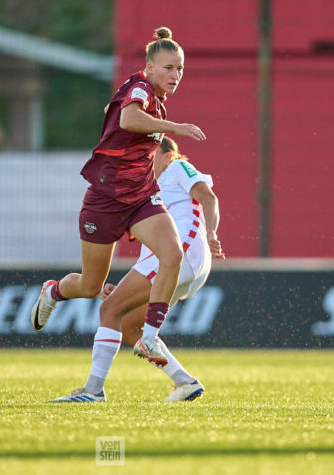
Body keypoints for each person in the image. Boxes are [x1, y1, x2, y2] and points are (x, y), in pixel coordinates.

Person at [30, 27, 206, 366]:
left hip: (140, 199)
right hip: (105, 201)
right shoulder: (139, 88)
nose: (175, 75)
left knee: (172, 255)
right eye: (168, 68)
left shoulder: (156, 100)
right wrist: (177, 128)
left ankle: (151, 336)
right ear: (150, 67)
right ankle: (52, 291)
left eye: (180, 69)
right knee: (90, 286)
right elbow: (128, 118)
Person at [51, 137, 223, 402]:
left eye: (150, 154)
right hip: (181, 264)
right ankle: (184, 382)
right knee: (129, 324)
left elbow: (208, 197)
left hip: (184, 253)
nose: (143, 159)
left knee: (109, 310)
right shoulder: (145, 193)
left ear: (167, 155)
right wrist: (122, 289)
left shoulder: (176, 168)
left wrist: (211, 232)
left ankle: (93, 390)